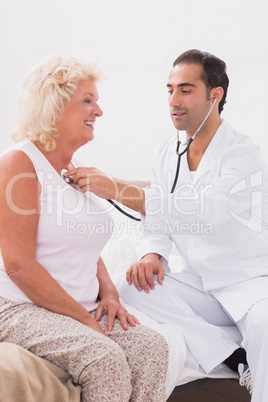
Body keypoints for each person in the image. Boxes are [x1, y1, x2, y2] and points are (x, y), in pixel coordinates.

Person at [68, 49, 268, 401]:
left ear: (215, 95)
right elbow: (158, 217)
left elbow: (203, 211)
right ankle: (234, 358)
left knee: (266, 325)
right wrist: (152, 253)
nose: (174, 101)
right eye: (170, 90)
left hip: (250, 281)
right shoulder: (167, 150)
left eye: (186, 90)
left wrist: (115, 187)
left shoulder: (242, 154)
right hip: (203, 282)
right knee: (129, 287)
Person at [0, 54, 169, 402]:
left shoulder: (72, 169)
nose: (99, 111)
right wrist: (86, 321)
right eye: (87, 101)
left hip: (81, 305)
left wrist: (108, 295)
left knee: (152, 348)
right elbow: (18, 266)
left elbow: (87, 248)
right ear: (54, 107)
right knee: (104, 358)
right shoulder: (19, 164)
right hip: (19, 306)